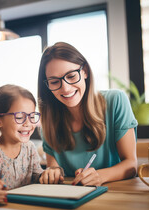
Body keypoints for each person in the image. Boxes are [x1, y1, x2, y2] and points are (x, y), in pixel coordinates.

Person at [38, 42, 138, 186]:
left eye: (71, 76)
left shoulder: (116, 101)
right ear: (47, 85)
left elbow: (131, 165)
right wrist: (52, 172)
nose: (65, 89)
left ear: (84, 71)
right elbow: (54, 168)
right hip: (73, 197)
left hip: (115, 193)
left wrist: (100, 176)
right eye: (54, 82)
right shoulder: (48, 119)